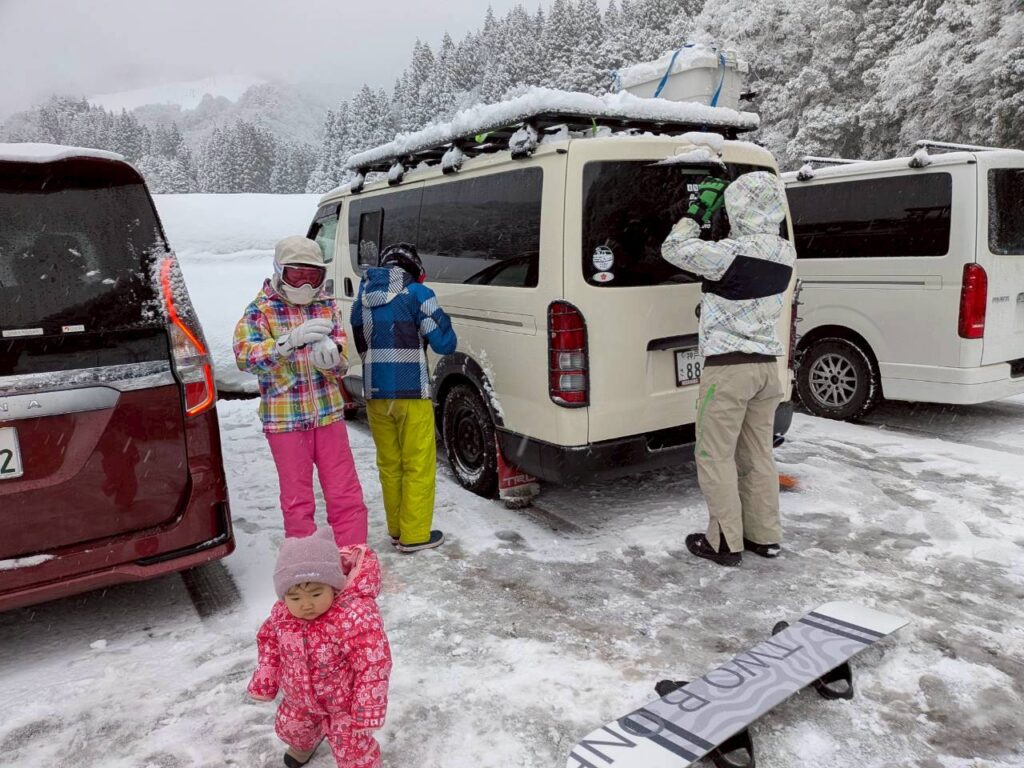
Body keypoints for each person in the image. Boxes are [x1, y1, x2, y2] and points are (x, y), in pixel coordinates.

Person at [661, 172, 796, 567]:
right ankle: (764, 535)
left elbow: (674, 248)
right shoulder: (784, 251)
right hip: (767, 370)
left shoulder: (728, 254)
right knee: (757, 456)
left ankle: (723, 542)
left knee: (714, 455)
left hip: (729, 370)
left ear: (737, 207)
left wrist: (697, 211)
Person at [234, 235, 368, 547]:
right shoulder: (260, 310)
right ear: (281, 271)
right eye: (298, 274)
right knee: (297, 499)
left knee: (345, 492)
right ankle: (307, 567)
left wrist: (334, 358)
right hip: (285, 419)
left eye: (314, 276)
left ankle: (354, 556)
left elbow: (342, 361)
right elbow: (245, 357)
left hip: (327, 414)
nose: (306, 284)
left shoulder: (326, 305)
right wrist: (284, 344)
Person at [248, 528, 392, 768]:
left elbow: (373, 662)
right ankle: (306, 742)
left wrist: (367, 706)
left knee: (352, 750)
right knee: (292, 728)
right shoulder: (282, 615)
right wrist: (266, 677)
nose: (305, 605)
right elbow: (269, 643)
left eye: (316, 594)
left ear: (334, 587)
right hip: (300, 698)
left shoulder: (352, 617)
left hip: (344, 704)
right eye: (295, 598)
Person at [350, 242, 457, 553]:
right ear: (415, 268)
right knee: (418, 464)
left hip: (375, 393)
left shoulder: (364, 297)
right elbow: (444, 343)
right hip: (411, 392)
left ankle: (396, 530)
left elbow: (361, 342)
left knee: (390, 464)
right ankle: (414, 535)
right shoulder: (417, 294)